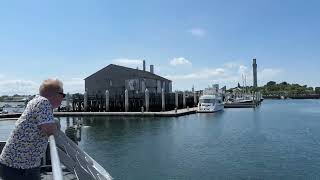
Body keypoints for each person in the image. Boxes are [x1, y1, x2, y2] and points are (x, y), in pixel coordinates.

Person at [0, 79, 65, 180]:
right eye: (63, 95)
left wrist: (54, 122)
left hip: (19, 165)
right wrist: (56, 123)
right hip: (19, 168)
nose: (62, 99)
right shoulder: (43, 103)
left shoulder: (35, 101)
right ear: (57, 95)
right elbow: (49, 130)